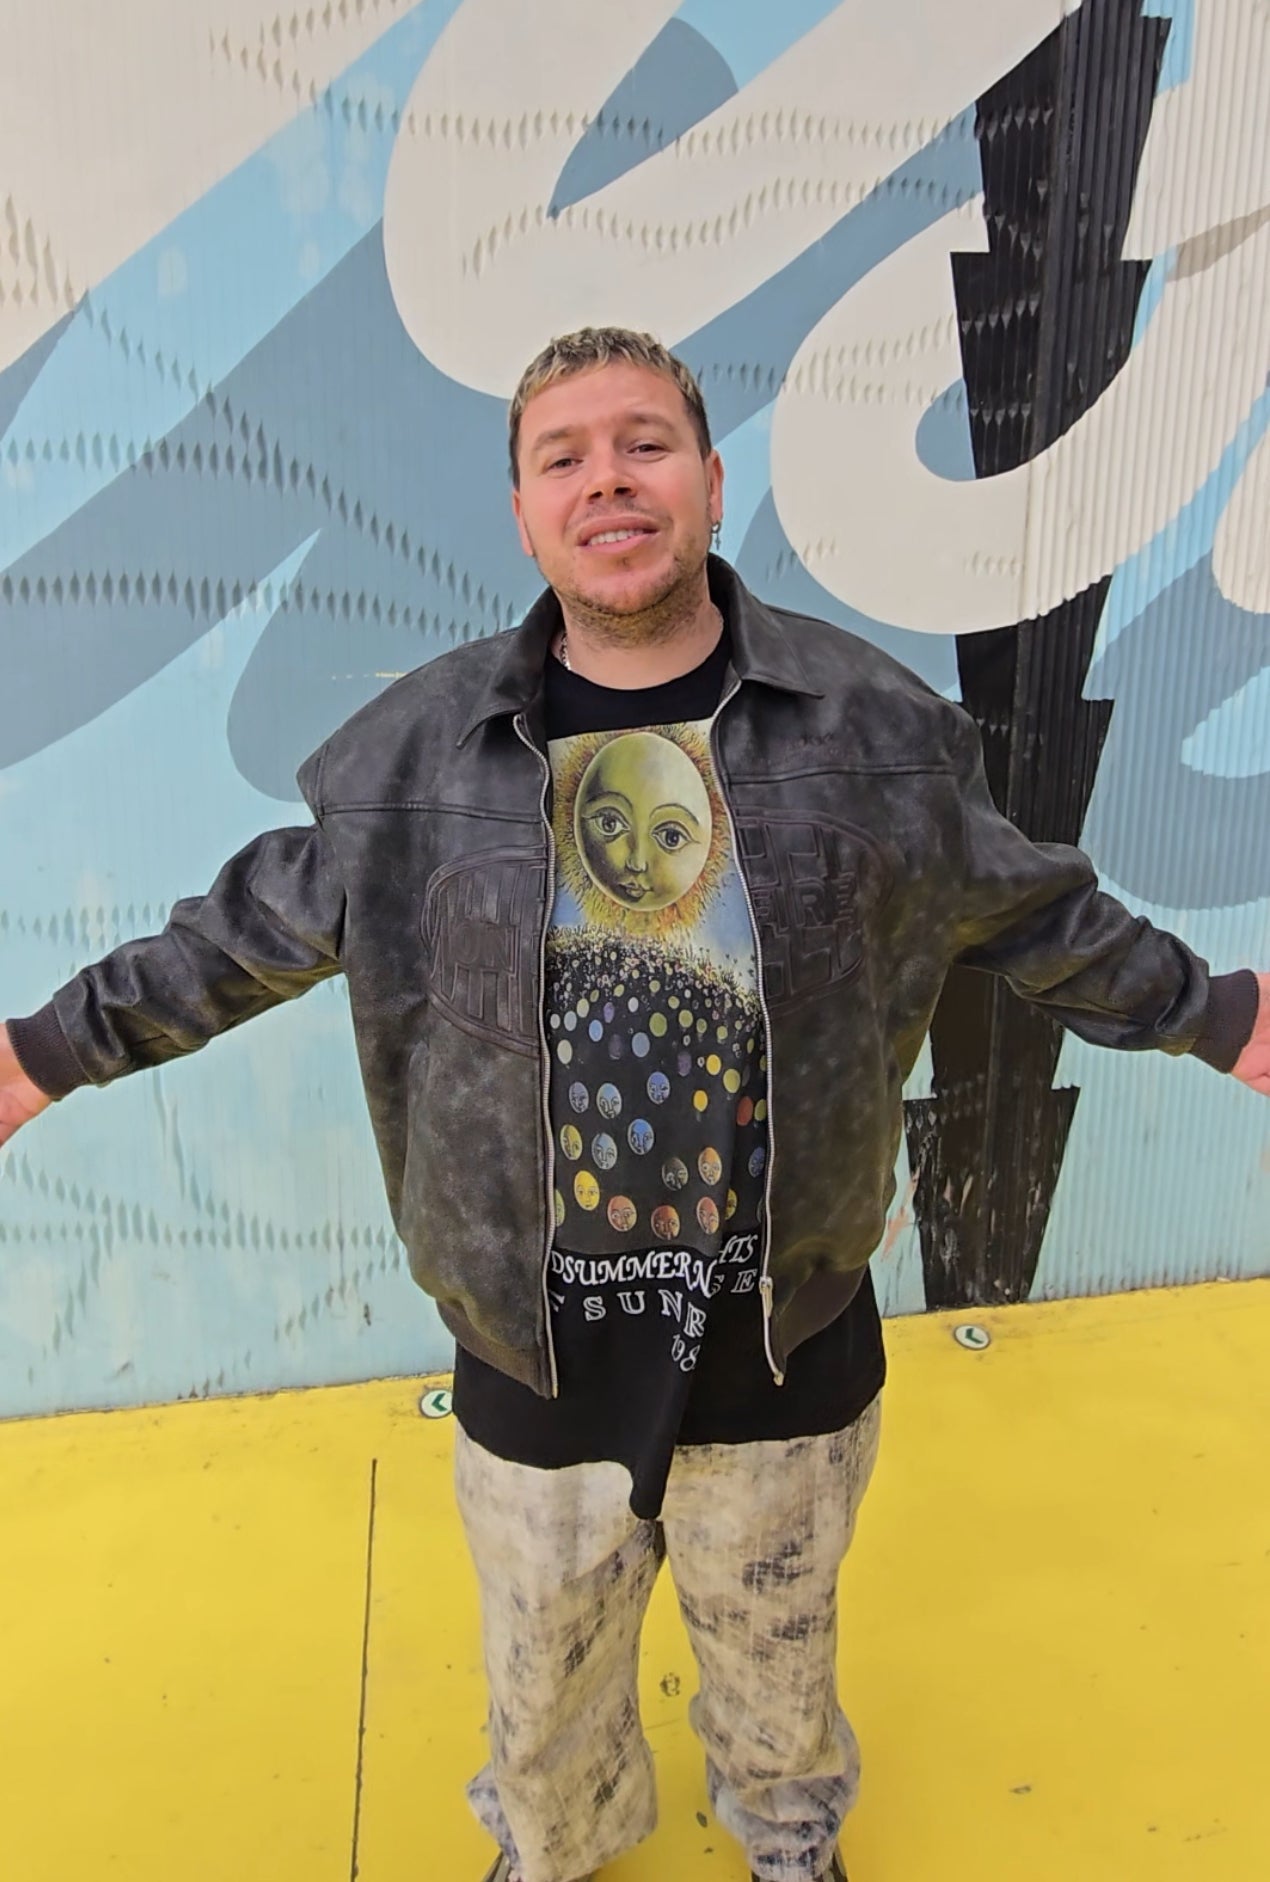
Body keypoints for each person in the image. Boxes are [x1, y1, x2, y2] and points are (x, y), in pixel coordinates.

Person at [2, 327, 1267, 1882]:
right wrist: (41, 1054)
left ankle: (788, 1844)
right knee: (541, 1692)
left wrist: (1222, 1018)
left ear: (709, 483)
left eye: (644, 443)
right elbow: (233, 936)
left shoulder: (869, 728)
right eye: (565, 455)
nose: (607, 476)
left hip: (783, 1330)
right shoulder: (414, 755)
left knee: (778, 1667)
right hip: (535, 1344)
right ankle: (555, 1846)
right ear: (525, 514)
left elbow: (1035, 912)